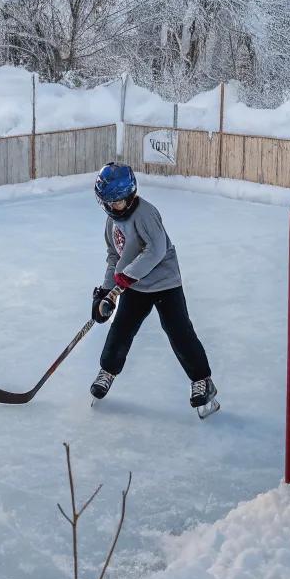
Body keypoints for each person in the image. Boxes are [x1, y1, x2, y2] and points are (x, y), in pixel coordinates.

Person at [89, 161, 219, 417]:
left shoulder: (146, 214)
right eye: (108, 202)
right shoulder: (111, 222)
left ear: (130, 194)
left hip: (164, 283)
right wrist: (106, 291)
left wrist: (126, 278)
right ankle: (107, 370)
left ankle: (202, 380)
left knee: (179, 331)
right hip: (135, 285)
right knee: (121, 330)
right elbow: (114, 257)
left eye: (117, 202)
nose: (113, 207)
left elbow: (156, 250)